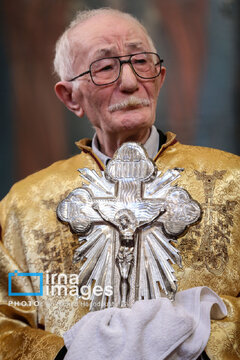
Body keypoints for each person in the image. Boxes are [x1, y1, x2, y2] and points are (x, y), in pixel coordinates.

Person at [0, 7, 239, 360]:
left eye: (142, 61)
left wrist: (204, 348)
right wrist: (67, 356)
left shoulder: (231, 182)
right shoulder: (25, 206)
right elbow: (7, 319)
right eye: (105, 68)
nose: (129, 81)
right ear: (70, 97)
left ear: (160, 76)